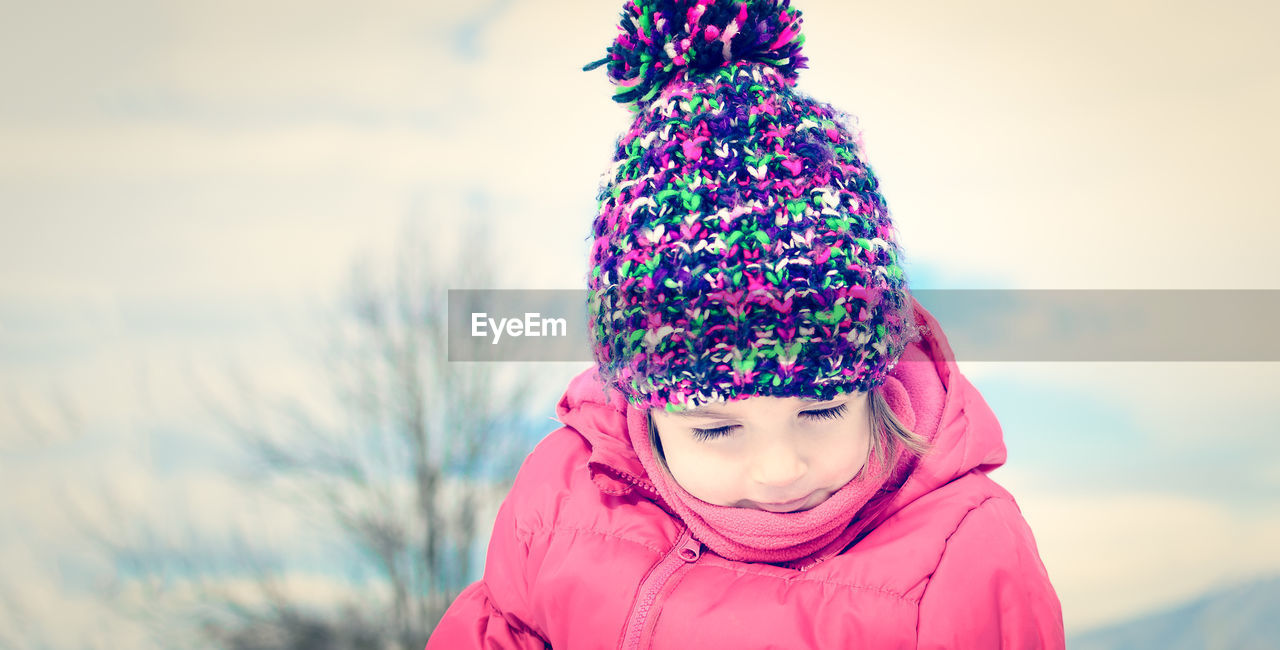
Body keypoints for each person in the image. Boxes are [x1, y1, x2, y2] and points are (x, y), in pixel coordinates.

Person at [427, 0, 1065, 647]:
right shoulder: (562, 506)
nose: (779, 469)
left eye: (821, 411)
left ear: (874, 383)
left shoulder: (964, 558)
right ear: (640, 401)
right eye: (717, 427)